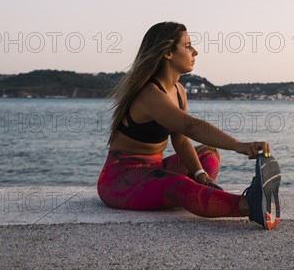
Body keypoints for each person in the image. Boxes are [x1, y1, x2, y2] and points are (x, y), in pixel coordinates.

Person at [97, 21, 281, 230]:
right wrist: (238, 145)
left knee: (208, 154)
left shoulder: (178, 91)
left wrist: (199, 173)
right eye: (188, 46)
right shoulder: (150, 94)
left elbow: (181, 138)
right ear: (168, 52)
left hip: (154, 170)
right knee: (179, 186)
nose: (195, 52)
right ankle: (250, 205)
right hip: (120, 181)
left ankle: (205, 190)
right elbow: (190, 126)